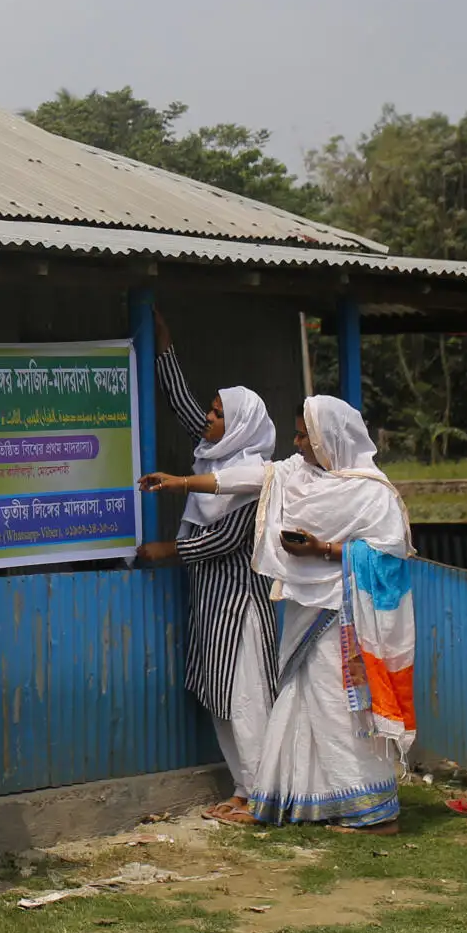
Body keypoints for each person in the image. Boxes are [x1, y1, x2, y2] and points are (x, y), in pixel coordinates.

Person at [241, 394, 417, 833]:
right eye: (298, 434)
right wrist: (181, 483)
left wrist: (323, 550)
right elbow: (242, 479)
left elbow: (390, 558)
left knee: (340, 709)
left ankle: (377, 814)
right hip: (307, 609)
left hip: (346, 620)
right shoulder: (298, 478)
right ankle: (315, 801)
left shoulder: (373, 494)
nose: (298, 443)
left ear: (329, 439)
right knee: (305, 703)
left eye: (305, 435)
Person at [135, 313, 281, 818]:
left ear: (239, 426)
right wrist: (164, 348)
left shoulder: (255, 479)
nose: (209, 420)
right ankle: (244, 789)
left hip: (240, 606)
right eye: (214, 411)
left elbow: (224, 541)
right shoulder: (214, 460)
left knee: (246, 698)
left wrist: (165, 551)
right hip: (210, 602)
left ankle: (264, 792)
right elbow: (184, 407)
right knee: (220, 698)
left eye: (219, 414)